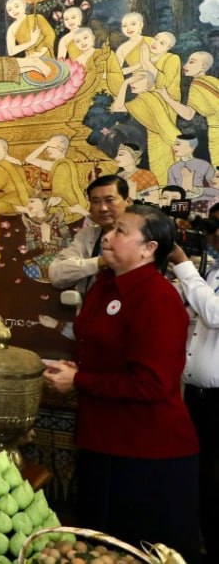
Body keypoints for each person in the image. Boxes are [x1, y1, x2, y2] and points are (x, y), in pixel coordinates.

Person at [44, 204, 199, 562]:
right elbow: (106, 353)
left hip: (146, 452)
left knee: (138, 550)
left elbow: (151, 383)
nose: (108, 236)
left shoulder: (157, 297)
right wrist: (79, 369)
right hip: (102, 438)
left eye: (121, 231)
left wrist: (80, 380)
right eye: (110, 229)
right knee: (99, 546)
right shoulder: (105, 285)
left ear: (149, 249)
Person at [167, 224, 219, 564]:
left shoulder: (201, 272)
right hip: (197, 396)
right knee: (197, 476)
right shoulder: (212, 272)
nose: (216, 235)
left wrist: (183, 263)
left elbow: (213, 315)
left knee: (215, 482)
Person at [48, 174, 130, 298]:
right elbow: (57, 275)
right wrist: (100, 262)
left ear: (128, 202)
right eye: (96, 202)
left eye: (109, 200)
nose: (103, 208)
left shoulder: (147, 234)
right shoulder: (88, 235)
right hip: (96, 306)